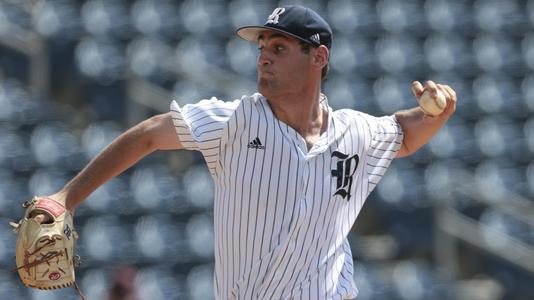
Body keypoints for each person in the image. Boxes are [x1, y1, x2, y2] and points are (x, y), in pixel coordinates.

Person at [32, 5, 456, 300]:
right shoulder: (235, 121)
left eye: (279, 48)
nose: (263, 59)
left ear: (318, 57)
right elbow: (147, 135)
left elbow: (403, 132)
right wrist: (66, 198)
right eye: (261, 48)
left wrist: (439, 111)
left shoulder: (355, 133)